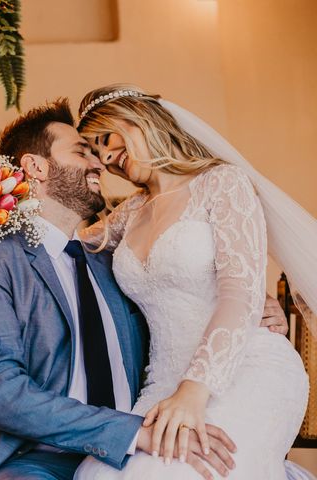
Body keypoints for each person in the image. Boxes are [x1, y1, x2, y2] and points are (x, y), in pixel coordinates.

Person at [0, 99, 289, 480]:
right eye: (84, 152)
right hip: (33, 457)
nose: (100, 163)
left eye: (101, 149)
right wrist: (132, 433)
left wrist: (252, 297)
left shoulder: (111, 260)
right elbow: (1, 393)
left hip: (140, 434)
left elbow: (184, 287)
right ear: (35, 167)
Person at [73, 84, 311, 480]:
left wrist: (194, 391)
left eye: (106, 139)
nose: (107, 158)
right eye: (96, 154)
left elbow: (239, 292)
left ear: (140, 120)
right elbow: (63, 242)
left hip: (243, 369)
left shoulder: (222, 183)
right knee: (100, 473)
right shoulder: (129, 213)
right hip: (162, 384)